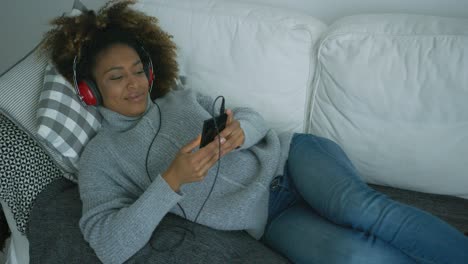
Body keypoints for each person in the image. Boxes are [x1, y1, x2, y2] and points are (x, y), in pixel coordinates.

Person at [41, 1, 468, 263]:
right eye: (117, 77)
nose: (134, 84)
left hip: (294, 160)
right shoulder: (101, 158)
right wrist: (170, 181)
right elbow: (108, 245)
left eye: (138, 70)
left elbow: (251, 115)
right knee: (352, 255)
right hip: (271, 217)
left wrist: (243, 129)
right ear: (90, 92)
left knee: (363, 210)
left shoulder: (178, 98)